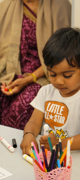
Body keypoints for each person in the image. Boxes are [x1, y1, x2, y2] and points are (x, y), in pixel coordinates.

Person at [0, 0, 71, 130]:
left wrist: (28, 79)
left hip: (40, 76)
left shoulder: (60, 6)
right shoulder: (4, 7)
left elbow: (61, 56)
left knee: (20, 109)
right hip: (6, 72)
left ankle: (8, 148)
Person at [20, 27, 80, 155]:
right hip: (47, 158)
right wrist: (29, 135)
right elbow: (34, 121)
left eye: (67, 75)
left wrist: (60, 143)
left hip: (72, 158)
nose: (58, 81)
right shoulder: (46, 92)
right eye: (52, 74)